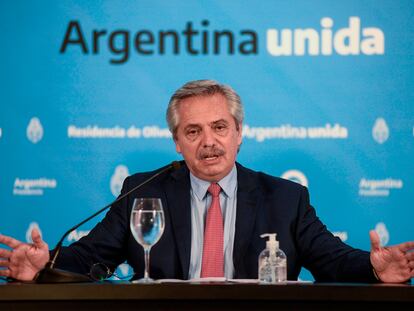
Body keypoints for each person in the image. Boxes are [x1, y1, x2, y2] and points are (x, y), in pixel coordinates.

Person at [0, 80, 413, 283]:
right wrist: (45, 266)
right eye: (193, 131)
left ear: (239, 134)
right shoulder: (143, 191)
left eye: (219, 127)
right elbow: (92, 256)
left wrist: (375, 270)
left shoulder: (286, 197)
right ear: (177, 142)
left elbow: (333, 260)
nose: (209, 142)